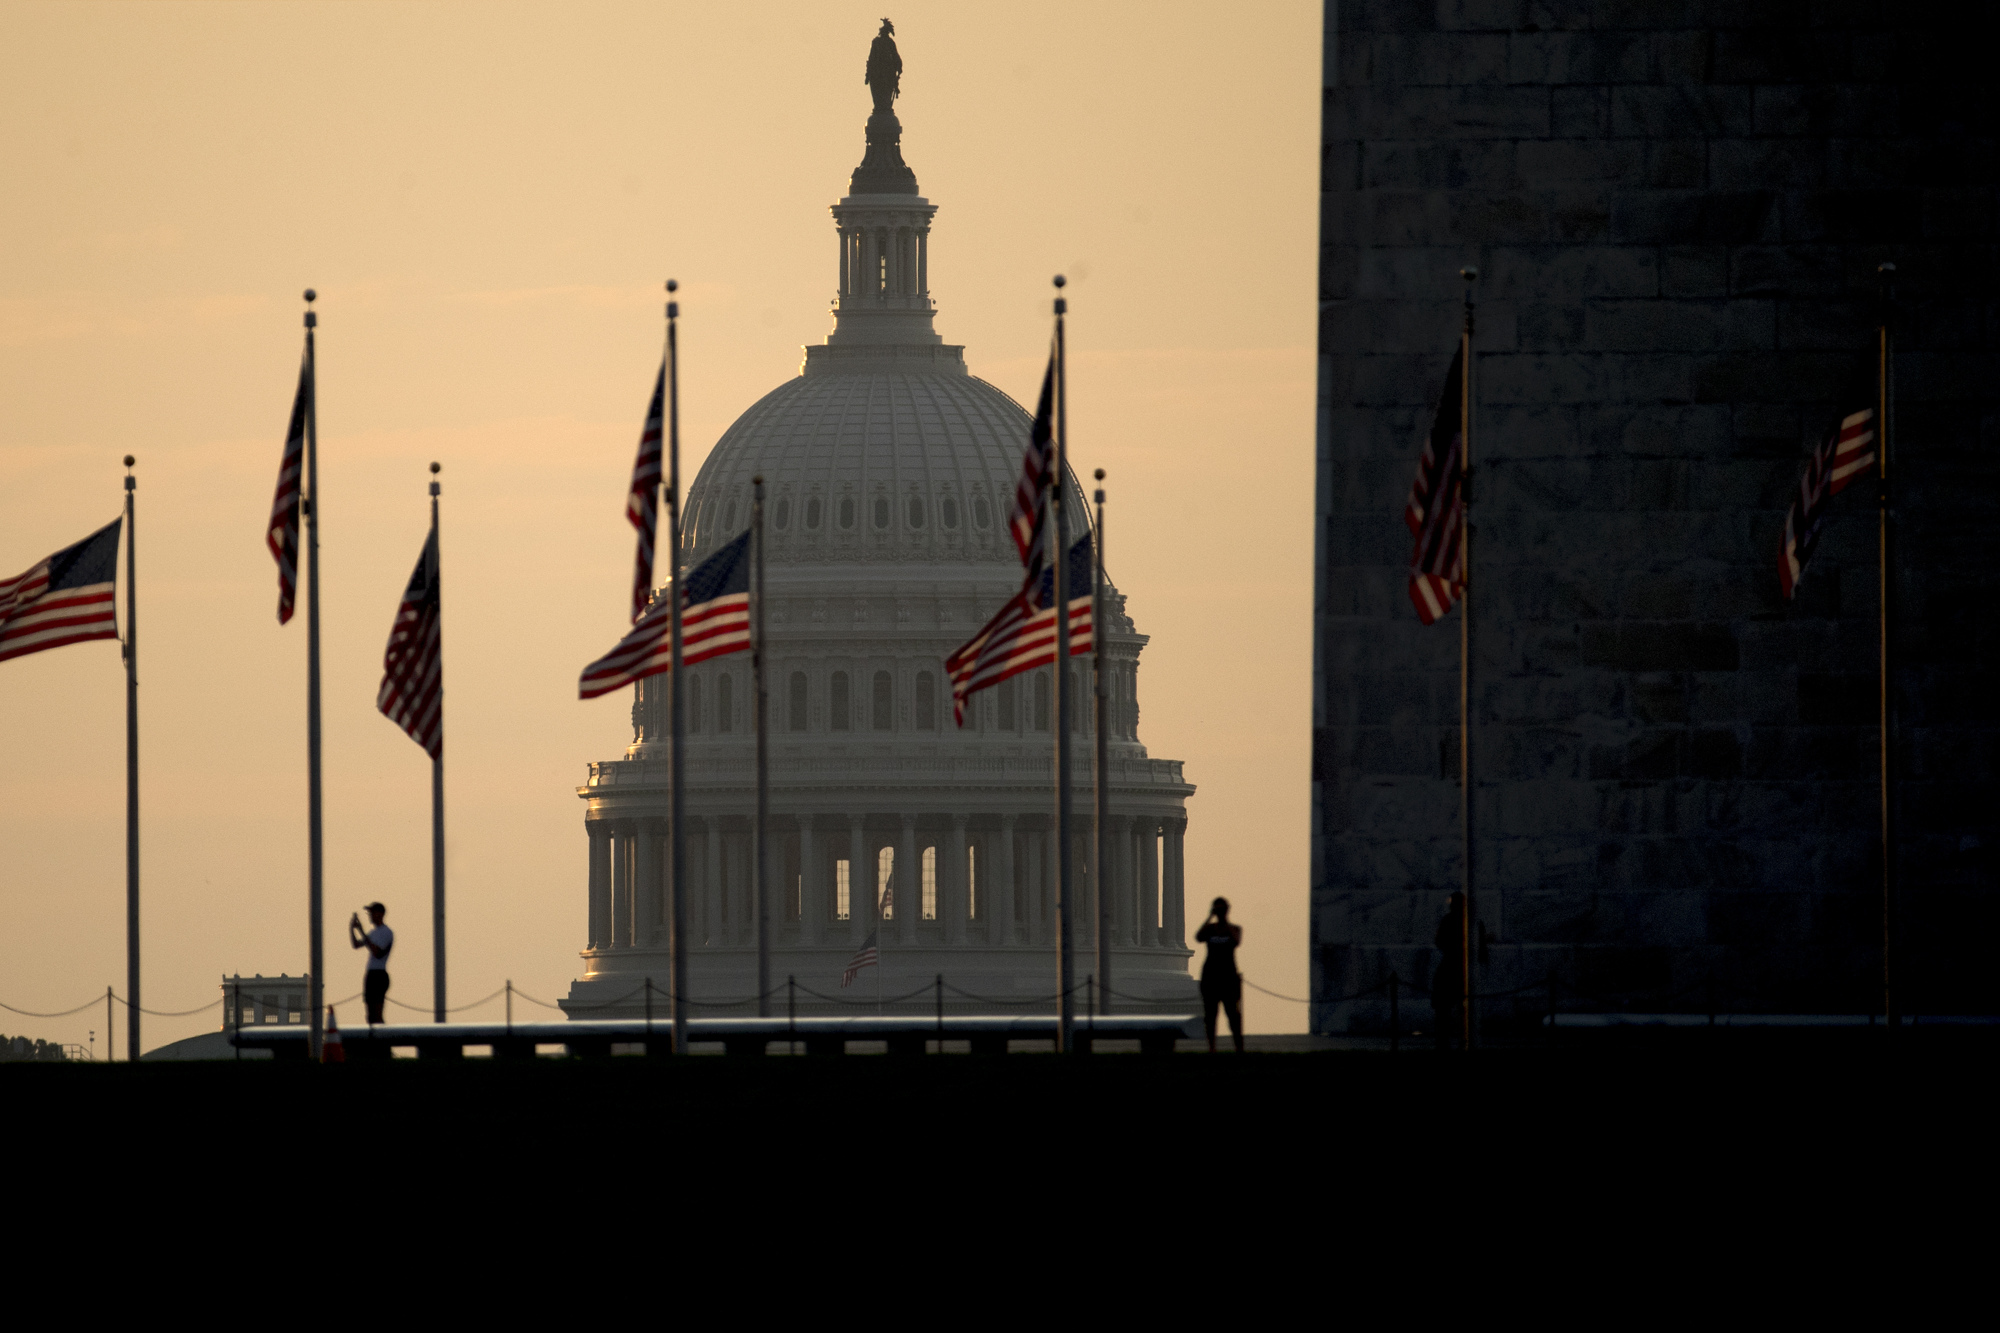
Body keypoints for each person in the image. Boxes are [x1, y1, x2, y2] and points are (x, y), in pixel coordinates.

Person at [1194, 897, 1245, 1054]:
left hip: (1228, 977)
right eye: (1218, 909)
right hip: (1210, 977)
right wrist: (1210, 917)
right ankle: (1212, 1048)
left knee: (1233, 1015)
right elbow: (1198, 937)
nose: (1221, 912)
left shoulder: (1234, 928)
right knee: (1210, 1016)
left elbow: (1236, 941)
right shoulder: (1210, 929)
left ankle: (1238, 1047)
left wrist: (1225, 922)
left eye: (1223, 909)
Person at [350, 902, 393, 1026]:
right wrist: (352, 929)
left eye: (372, 913)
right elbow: (356, 944)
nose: (370, 916)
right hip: (371, 974)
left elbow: (377, 952)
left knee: (377, 1014)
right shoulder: (373, 933)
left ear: (380, 914)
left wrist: (361, 930)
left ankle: (383, 1037)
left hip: (379, 975)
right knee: (370, 1015)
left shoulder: (386, 932)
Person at [1432, 891, 1465, 1051]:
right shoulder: (1469, 920)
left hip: (1450, 966)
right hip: (1461, 967)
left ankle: (1443, 1042)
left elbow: (1439, 941)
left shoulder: (1449, 920)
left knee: (1443, 1009)